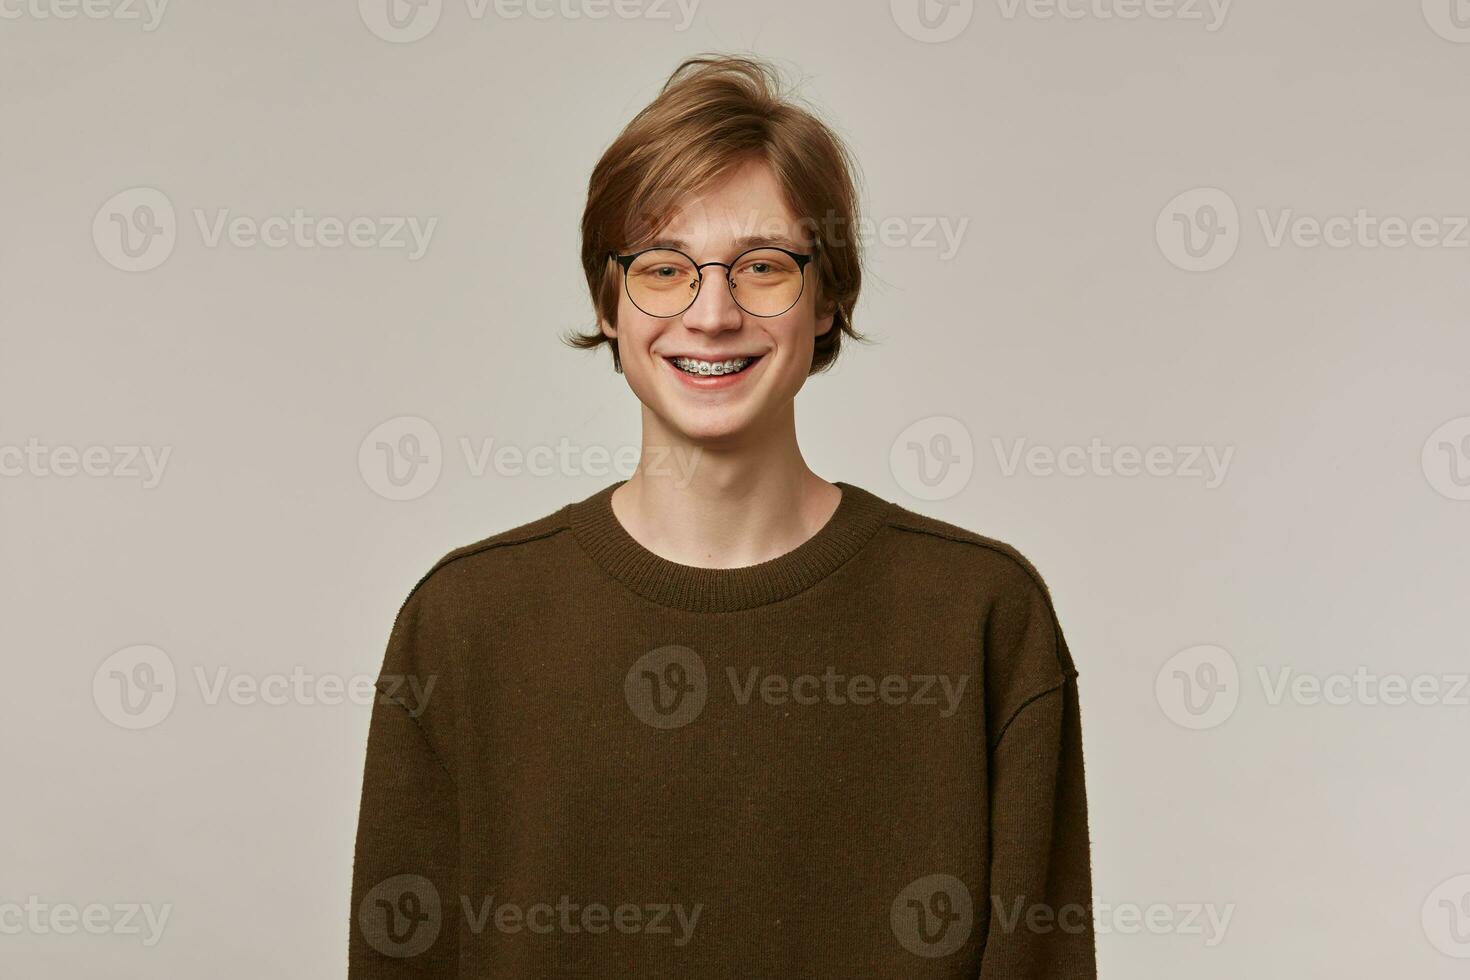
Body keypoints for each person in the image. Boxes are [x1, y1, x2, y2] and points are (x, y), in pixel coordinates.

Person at [348, 52, 1096, 978]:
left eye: (764, 267)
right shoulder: (465, 625)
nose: (711, 313)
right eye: (664, 268)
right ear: (608, 301)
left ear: (827, 298)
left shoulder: (980, 617)